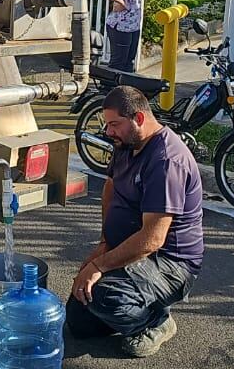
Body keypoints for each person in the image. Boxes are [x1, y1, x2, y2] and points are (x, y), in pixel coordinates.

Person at [66, 86, 203, 358]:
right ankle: (131, 306)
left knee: (107, 297)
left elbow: (153, 239)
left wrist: (99, 265)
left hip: (171, 263)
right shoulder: (127, 143)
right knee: (79, 318)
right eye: (107, 125)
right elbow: (111, 187)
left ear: (139, 118)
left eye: (114, 124)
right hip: (136, 248)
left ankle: (156, 322)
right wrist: (105, 242)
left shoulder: (166, 160)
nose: (109, 132)